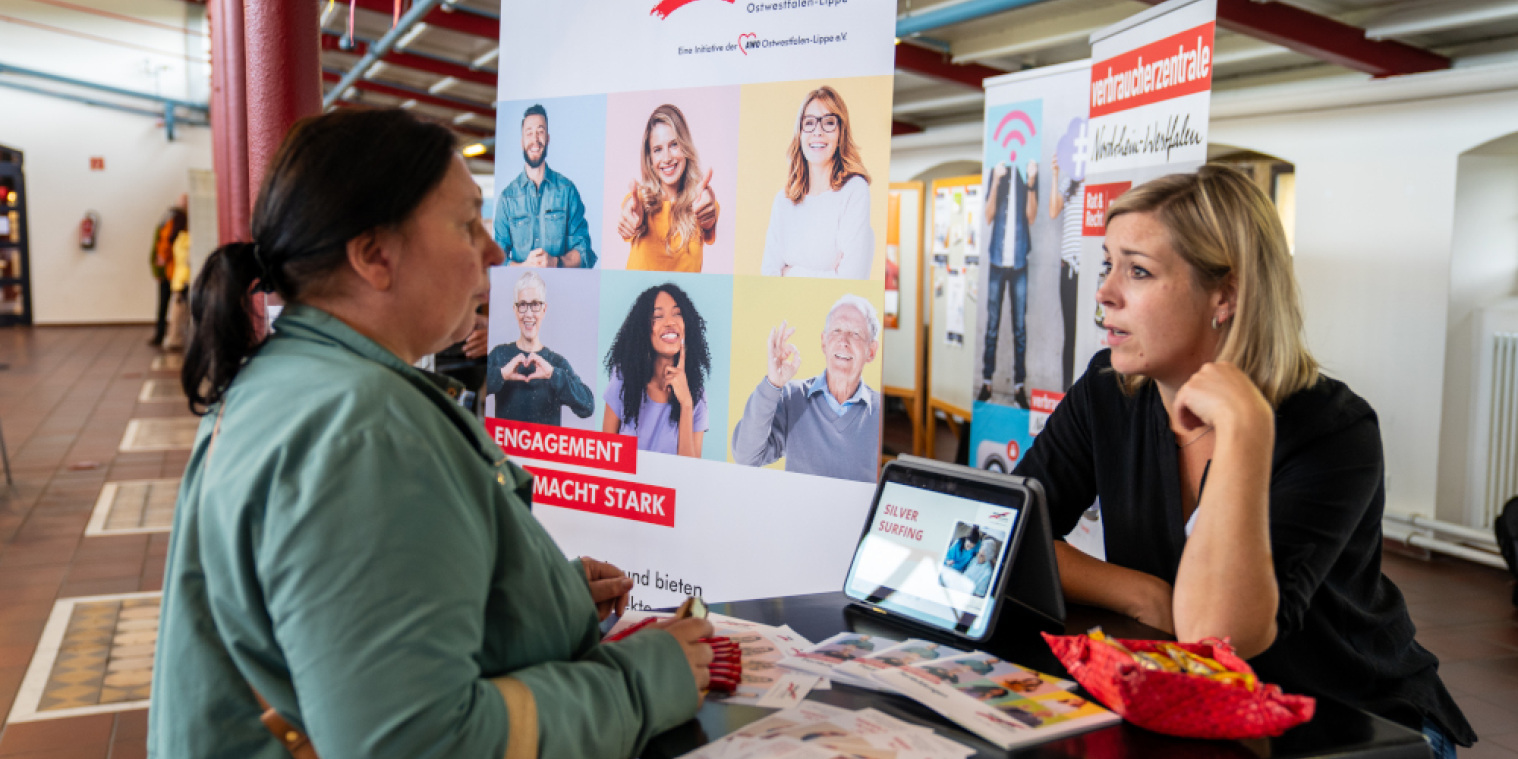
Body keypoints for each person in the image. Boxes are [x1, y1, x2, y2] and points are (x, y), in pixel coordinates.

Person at [151, 109, 713, 759]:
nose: (494, 249)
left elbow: (346, 629)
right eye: (467, 222)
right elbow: (423, 740)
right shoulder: (362, 434)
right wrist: (645, 681)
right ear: (374, 254)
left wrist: (536, 599)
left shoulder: (294, 381)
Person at [1012, 165, 1474, 756]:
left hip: (1351, 722)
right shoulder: (1108, 389)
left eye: (1138, 271)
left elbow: (1217, 634)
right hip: (1200, 703)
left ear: (1225, 295)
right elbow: (1014, 528)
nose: (1104, 293)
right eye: (1108, 264)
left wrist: (1245, 432)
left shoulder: (1331, 428)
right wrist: (1143, 594)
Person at [731, 294, 881, 483]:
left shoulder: (881, 411)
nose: (843, 341)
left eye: (855, 333)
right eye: (836, 330)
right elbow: (746, 457)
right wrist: (773, 384)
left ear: (872, 351)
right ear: (823, 342)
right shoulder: (793, 397)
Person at [760, 86, 873, 279]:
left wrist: (790, 272)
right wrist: (829, 274)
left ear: (840, 134)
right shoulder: (783, 201)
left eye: (828, 123)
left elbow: (851, 279)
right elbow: (768, 277)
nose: (818, 132)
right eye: (809, 123)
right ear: (800, 134)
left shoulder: (854, 191)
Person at [602, 283, 711, 457]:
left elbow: (690, 473)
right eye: (658, 316)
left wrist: (686, 405)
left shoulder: (695, 394)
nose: (670, 322)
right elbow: (604, 455)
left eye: (677, 314)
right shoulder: (623, 379)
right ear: (643, 330)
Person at [616, 104, 718, 273]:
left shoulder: (700, 200)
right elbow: (630, 208)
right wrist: (630, 217)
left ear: (685, 147)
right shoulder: (639, 201)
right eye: (658, 150)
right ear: (649, 158)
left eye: (674, 145)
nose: (667, 158)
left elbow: (708, 218)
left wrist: (708, 212)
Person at [485, 271, 594, 426]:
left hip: (544, 450)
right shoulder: (499, 355)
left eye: (535, 305)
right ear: (515, 310)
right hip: (504, 450)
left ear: (544, 309)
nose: (529, 314)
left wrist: (553, 374)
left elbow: (587, 407)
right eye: (523, 305)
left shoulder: (556, 363)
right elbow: (471, 390)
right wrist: (501, 374)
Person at [494, 104, 597, 268]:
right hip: (521, 291)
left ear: (548, 138)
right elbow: (497, 259)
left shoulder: (567, 191)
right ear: (522, 142)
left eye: (540, 132)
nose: (535, 140)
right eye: (529, 133)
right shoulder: (507, 198)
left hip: (561, 290)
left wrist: (556, 262)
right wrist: (523, 267)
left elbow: (585, 253)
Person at [978, 159, 1037, 408]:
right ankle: (987, 383)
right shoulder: (997, 169)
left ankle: (1019, 387)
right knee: (992, 326)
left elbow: (1032, 217)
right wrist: (996, 181)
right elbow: (988, 216)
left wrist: (1032, 183)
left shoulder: (1029, 170)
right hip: (996, 263)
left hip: (1020, 263)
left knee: (1019, 329)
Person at [1047, 155, 1084, 392]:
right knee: (1070, 333)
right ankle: (1067, 390)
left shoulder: (1099, 179)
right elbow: (1053, 210)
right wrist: (1055, 174)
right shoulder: (1071, 178)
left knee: (1089, 333)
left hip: (1091, 267)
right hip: (1069, 267)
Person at [148, 195, 187, 346]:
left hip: (171, 271)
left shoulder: (167, 218)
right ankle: (167, 335)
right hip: (173, 271)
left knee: (165, 304)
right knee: (174, 305)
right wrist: (159, 267)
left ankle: (162, 334)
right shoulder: (177, 219)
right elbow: (163, 245)